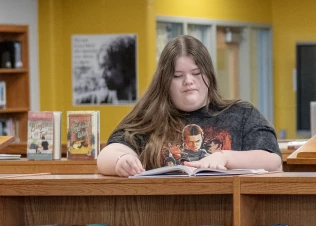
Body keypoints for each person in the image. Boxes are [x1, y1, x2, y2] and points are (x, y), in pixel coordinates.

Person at [97, 35, 282, 177]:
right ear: (165, 81)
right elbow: (107, 155)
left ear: (209, 75)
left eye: (196, 73)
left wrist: (225, 157)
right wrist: (121, 161)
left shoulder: (242, 114)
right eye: (178, 76)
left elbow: (273, 161)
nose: (188, 82)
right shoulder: (150, 118)